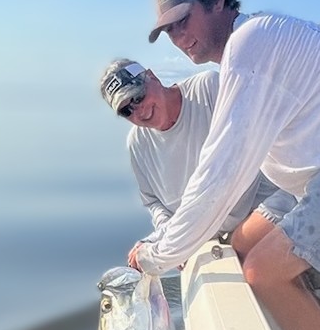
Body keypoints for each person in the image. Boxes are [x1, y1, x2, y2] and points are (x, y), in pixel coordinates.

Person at [128, 0, 320, 330]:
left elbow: (218, 177)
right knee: (243, 242)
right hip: (305, 187)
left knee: (262, 272)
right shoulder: (254, 41)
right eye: (169, 32)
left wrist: (159, 256)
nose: (179, 39)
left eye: (182, 22)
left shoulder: (250, 46)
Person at [100, 59, 293, 245]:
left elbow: (238, 169)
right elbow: (153, 202)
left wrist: (175, 241)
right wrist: (169, 234)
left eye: (138, 97)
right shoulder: (136, 142)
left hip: (265, 211)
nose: (139, 111)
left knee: (247, 252)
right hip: (202, 237)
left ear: (153, 77)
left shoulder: (208, 88)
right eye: (127, 110)